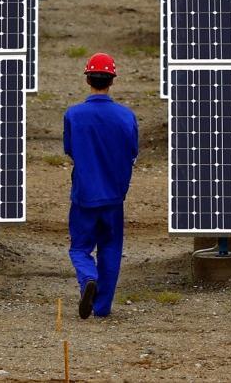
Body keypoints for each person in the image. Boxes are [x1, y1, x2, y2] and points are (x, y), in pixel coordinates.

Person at [63, 52, 139, 319]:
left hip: (84, 195)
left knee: (80, 248)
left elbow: (69, 149)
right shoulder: (126, 116)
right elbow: (132, 151)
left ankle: (87, 278)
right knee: (110, 248)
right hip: (114, 197)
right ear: (112, 81)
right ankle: (102, 307)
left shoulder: (74, 115)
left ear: (88, 80)